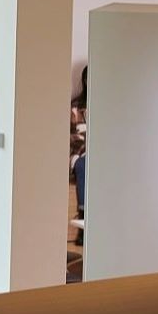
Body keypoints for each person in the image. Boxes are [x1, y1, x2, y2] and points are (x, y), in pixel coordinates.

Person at [71, 66, 88, 244]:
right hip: (80, 153)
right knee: (84, 164)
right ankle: (83, 218)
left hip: (103, 155)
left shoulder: (110, 105)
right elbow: (71, 137)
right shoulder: (75, 107)